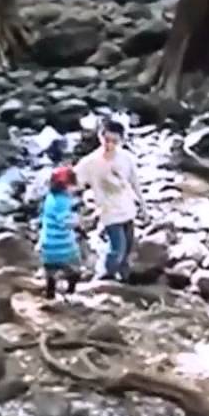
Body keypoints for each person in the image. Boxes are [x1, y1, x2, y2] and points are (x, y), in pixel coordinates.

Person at [75, 119, 143, 281]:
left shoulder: (126, 158)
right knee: (117, 249)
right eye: (107, 140)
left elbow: (135, 182)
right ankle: (105, 277)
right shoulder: (90, 162)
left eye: (115, 141)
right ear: (100, 136)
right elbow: (74, 181)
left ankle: (124, 280)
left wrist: (143, 206)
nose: (110, 145)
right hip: (109, 212)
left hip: (128, 209)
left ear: (121, 141)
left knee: (127, 250)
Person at [38, 166, 82, 299]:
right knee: (75, 270)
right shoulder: (63, 201)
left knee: (50, 271)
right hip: (63, 245)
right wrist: (77, 223)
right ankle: (70, 293)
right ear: (65, 185)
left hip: (47, 242)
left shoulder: (49, 198)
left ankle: (50, 293)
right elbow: (65, 222)